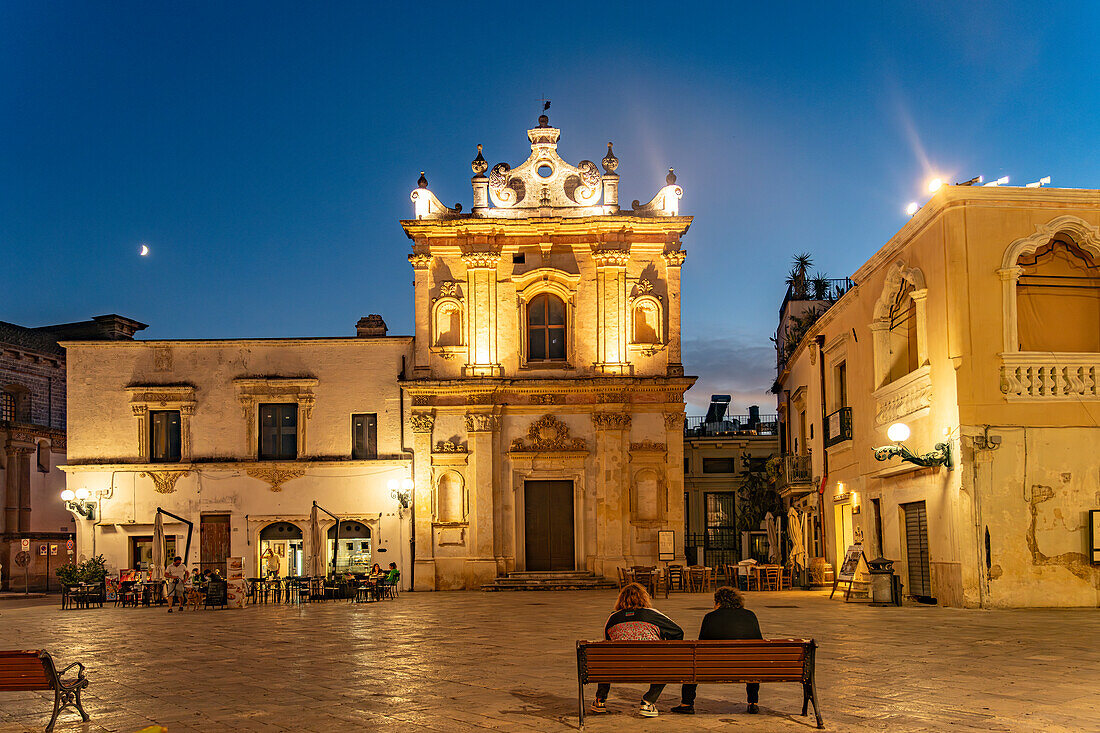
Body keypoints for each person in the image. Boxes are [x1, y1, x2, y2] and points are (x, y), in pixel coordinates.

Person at [590, 583, 683, 718]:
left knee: (606, 657)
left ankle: (600, 700)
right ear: (644, 598)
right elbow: (678, 632)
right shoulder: (653, 615)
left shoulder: (613, 618)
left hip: (618, 668)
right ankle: (648, 701)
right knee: (668, 662)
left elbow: (607, 641)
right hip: (651, 666)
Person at [671, 586, 763, 715]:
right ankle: (753, 703)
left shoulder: (710, 617)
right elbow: (758, 642)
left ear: (718, 602)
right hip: (745, 666)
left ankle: (687, 703)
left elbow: (701, 644)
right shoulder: (750, 615)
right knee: (752, 661)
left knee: (692, 663)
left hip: (714, 666)